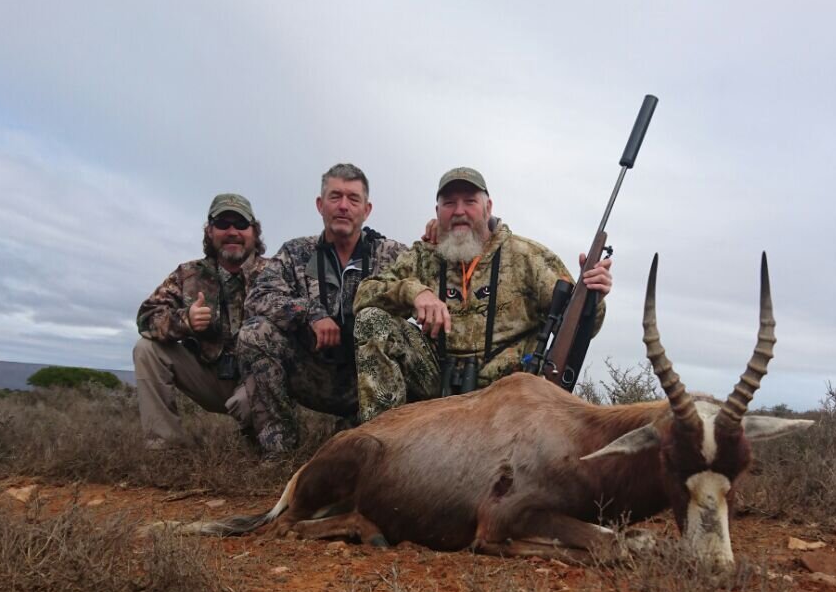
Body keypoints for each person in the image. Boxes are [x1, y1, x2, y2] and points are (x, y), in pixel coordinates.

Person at [353, 166, 613, 422]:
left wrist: (592, 298)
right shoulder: (423, 256)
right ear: (437, 212)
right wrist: (414, 291)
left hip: (509, 393)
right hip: (436, 380)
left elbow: (579, 329)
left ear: (488, 207)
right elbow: (364, 295)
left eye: (470, 202)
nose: (459, 211)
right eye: (449, 203)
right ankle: (383, 444)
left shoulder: (528, 256)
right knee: (372, 320)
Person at [237, 163, 407, 455]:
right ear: (320, 204)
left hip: (367, 381)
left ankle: (376, 438)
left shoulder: (390, 253)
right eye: (335, 197)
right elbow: (258, 295)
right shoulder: (295, 252)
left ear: (366, 210)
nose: (343, 206)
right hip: (313, 373)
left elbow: (430, 274)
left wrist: (436, 230)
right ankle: (279, 448)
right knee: (253, 333)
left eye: (353, 199)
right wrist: (311, 313)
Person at [133, 193, 266, 448]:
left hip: (258, 382)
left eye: (240, 225)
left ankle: (267, 443)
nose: (232, 232)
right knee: (146, 349)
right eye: (223, 224)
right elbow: (146, 317)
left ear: (254, 231)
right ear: (209, 231)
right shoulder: (187, 274)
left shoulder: (275, 272)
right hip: (208, 376)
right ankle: (166, 449)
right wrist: (185, 320)